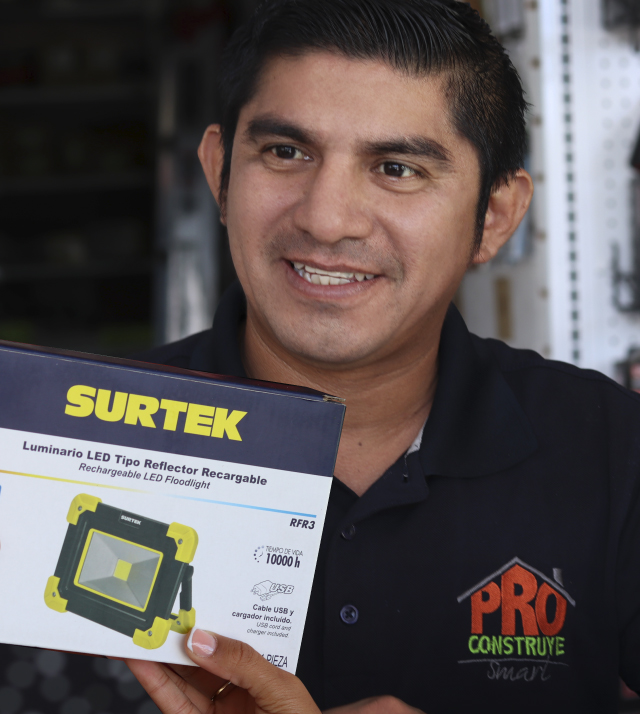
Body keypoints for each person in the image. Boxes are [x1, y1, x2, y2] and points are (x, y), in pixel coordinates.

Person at [130, 0, 640, 711]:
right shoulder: (71, 442)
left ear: (493, 218)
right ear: (220, 172)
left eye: (397, 168)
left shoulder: (613, 449)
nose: (326, 218)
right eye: (285, 153)